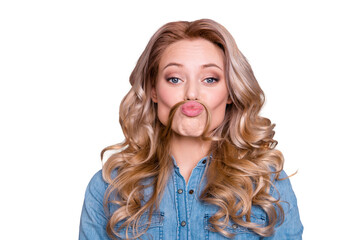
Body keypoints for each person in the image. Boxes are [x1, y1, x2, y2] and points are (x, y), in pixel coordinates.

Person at [79, 19, 303, 239]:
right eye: (175, 79)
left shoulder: (267, 183)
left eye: (210, 79)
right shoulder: (109, 187)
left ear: (230, 92)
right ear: (153, 90)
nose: (192, 93)